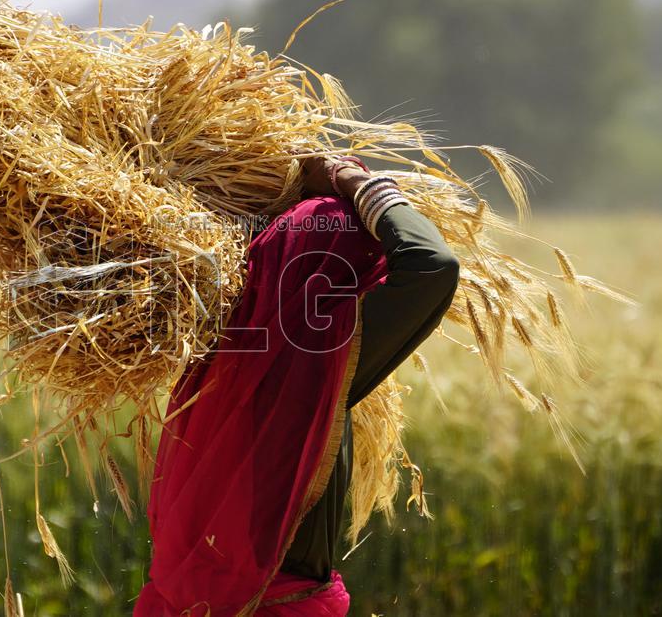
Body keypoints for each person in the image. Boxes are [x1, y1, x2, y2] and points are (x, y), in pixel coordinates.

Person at [134, 155, 460, 616]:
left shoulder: (219, 349)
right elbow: (433, 266)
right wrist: (355, 182)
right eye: (359, 267)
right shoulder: (317, 357)